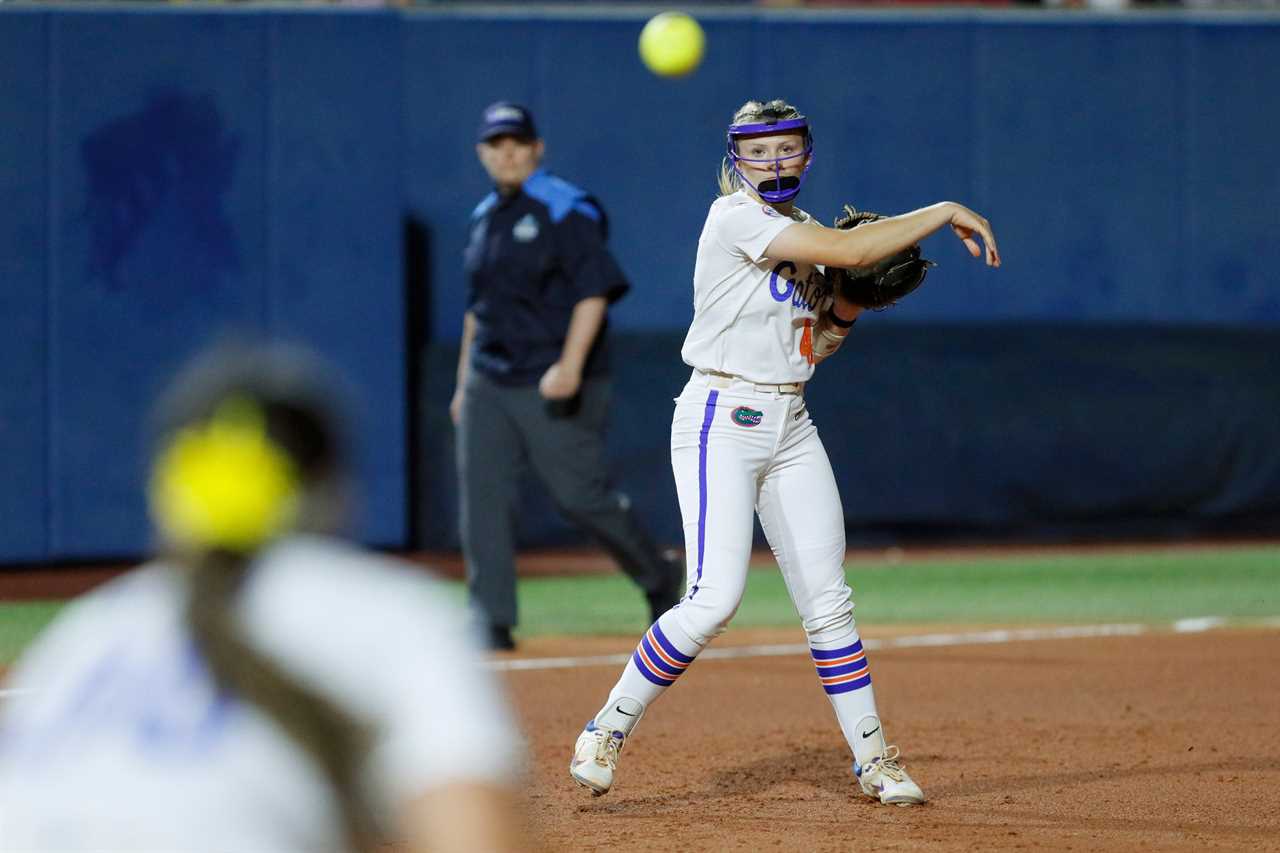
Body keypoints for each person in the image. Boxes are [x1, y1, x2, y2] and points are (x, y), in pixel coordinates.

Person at [568, 99, 1001, 805]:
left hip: (791, 420)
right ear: (735, 156)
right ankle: (606, 728)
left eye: (787, 148)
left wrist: (852, 306)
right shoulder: (733, 218)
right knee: (713, 600)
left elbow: (818, 344)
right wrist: (944, 207)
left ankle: (874, 760)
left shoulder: (804, 232)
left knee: (829, 601)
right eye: (758, 149)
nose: (773, 161)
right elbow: (858, 250)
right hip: (719, 416)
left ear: (807, 155)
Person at [0, 343, 524, 852]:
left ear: (168, 496)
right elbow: (473, 831)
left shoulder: (80, 638)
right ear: (334, 492)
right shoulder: (381, 611)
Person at [452, 101, 683, 651]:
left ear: (536, 149)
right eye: (495, 144)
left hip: (553, 374)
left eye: (516, 142)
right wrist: (464, 384)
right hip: (490, 376)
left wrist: (571, 365)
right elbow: (475, 309)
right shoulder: (485, 216)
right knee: (481, 495)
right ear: (483, 153)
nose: (506, 152)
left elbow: (594, 291)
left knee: (580, 496)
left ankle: (658, 576)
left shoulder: (566, 209)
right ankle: (490, 618)